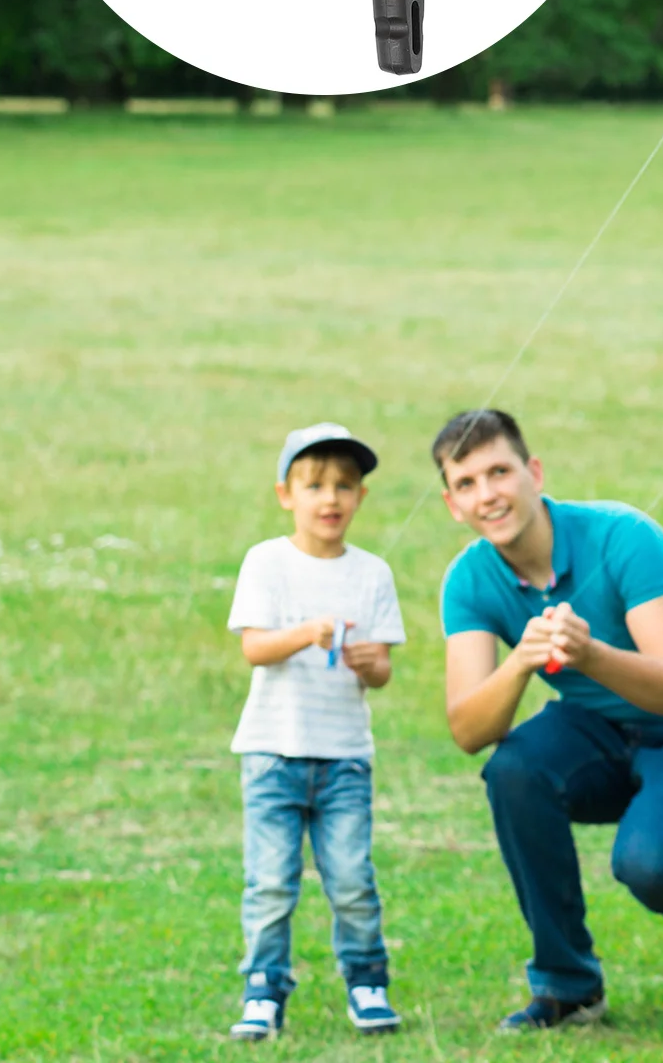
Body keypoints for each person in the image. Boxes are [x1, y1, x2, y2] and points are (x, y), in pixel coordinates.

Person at [434, 408, 663, 1033]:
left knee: (651, 861)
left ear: (534, 473)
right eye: (467, 484)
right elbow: (468, 730)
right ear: (453, 504)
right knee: (514, 770)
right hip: (600, 728)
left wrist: (590, 655)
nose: (489, 495)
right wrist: (519, 667)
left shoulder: (622, 536)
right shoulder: (470, 580)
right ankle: (567, 987)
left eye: (500, 472)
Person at [225, 423, 406, 1042]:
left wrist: (368, 662)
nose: (330, 499)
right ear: (286, 494)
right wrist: (307, 632)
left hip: (345, 758)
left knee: (352, 878)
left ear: (360, 497)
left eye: (345, 486)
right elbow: (254, 648)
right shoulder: (267, 562)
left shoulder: (372, 573)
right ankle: (263, 990)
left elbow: (381, 668)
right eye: (315, 485)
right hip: (273, 753)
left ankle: (367, 982)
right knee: (272, 881)